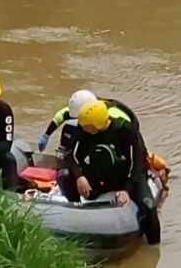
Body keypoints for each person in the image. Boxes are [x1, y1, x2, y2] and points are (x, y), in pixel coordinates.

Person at [60, 100, 160, 244]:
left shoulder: (126, 130)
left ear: (97, 124)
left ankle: (153, 248)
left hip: (123, 177)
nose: (84, 128)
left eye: (87, 126)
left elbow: (137, 163)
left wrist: (127, 190)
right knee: (65, 176)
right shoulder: (85, 132)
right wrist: (79, 176)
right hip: (98, 175)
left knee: (148, 206)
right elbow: (70, 156)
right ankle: (75, 216)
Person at [38, 89, 143, 159]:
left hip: (119, 135)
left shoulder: (113, 115)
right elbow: (61, 115)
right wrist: (46, 135)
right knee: (70, 128)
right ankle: (67, 156)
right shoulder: (84, 110)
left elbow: (131, 132)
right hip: (95, 127)